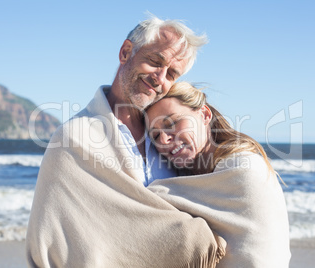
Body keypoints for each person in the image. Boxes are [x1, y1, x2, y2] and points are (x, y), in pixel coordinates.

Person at [26, 16, 227, 267]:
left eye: (172, 74)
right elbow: (51, 241)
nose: (160, 78)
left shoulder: (167, 140)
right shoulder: (73, 137)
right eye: (155, 61)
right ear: (125, 52)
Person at [146, 81, 291, 267]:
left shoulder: (243, 167)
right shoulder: (197, 176)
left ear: (205, 115)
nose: (165, 138)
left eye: (173, 122)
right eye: (156, 135)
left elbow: (150, 196)